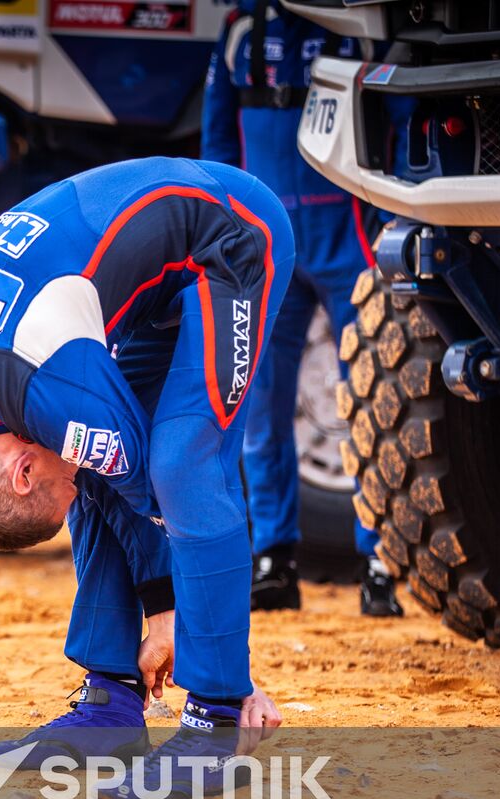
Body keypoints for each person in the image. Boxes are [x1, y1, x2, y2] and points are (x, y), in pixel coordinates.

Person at [0, 157, 286, 799]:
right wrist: (163, 605)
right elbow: (107, 476)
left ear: (24, 470)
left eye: (52, 496)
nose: (69, 494)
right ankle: (111, 707)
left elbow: (146, 491)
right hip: (159, 272)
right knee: (99, 468)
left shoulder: (43, 387)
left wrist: (186, 629)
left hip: (230, 231)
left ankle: (219, 718)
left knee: (182, 464)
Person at [202, 0, 403, 616]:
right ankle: (274, 561)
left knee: (375, 405)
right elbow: (217, 143)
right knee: (258, 405)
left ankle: (381, 562)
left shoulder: (360, 26)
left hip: (348, 245)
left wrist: (383, 222)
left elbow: (396, 119)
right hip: (269, 251)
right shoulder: (239, 30)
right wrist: (223, 234)